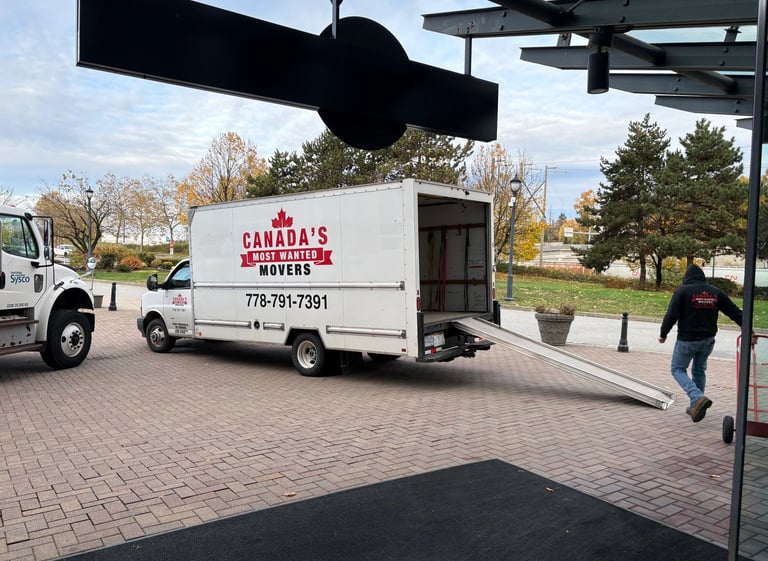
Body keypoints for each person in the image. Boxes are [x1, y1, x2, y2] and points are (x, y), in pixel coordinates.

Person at [658, 264, 743, 423]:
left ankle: (697, 397)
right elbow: (734, 311)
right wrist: (748, 328)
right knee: (699, 370)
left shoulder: (682, 292)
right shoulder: (715, 292)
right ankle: (696, 408)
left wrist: (663, 334)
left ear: (687, 278)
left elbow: (671, 314)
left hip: (687, 339)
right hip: (708, 340)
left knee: (677, 369)